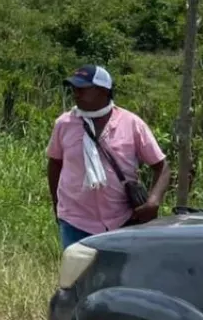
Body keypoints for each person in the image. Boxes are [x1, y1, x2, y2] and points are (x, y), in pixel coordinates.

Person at [46, 65, 170, 249]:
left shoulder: (131, 124)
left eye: (82, 89)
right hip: (75, 221)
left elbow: (162, 166)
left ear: (103, 91)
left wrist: (153, 202)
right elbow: (55, 163)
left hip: (122, 222)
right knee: (80, 276)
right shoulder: (65, 124)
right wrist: (57, 206)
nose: (76, 94)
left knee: (119, 276)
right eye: (74, 89)